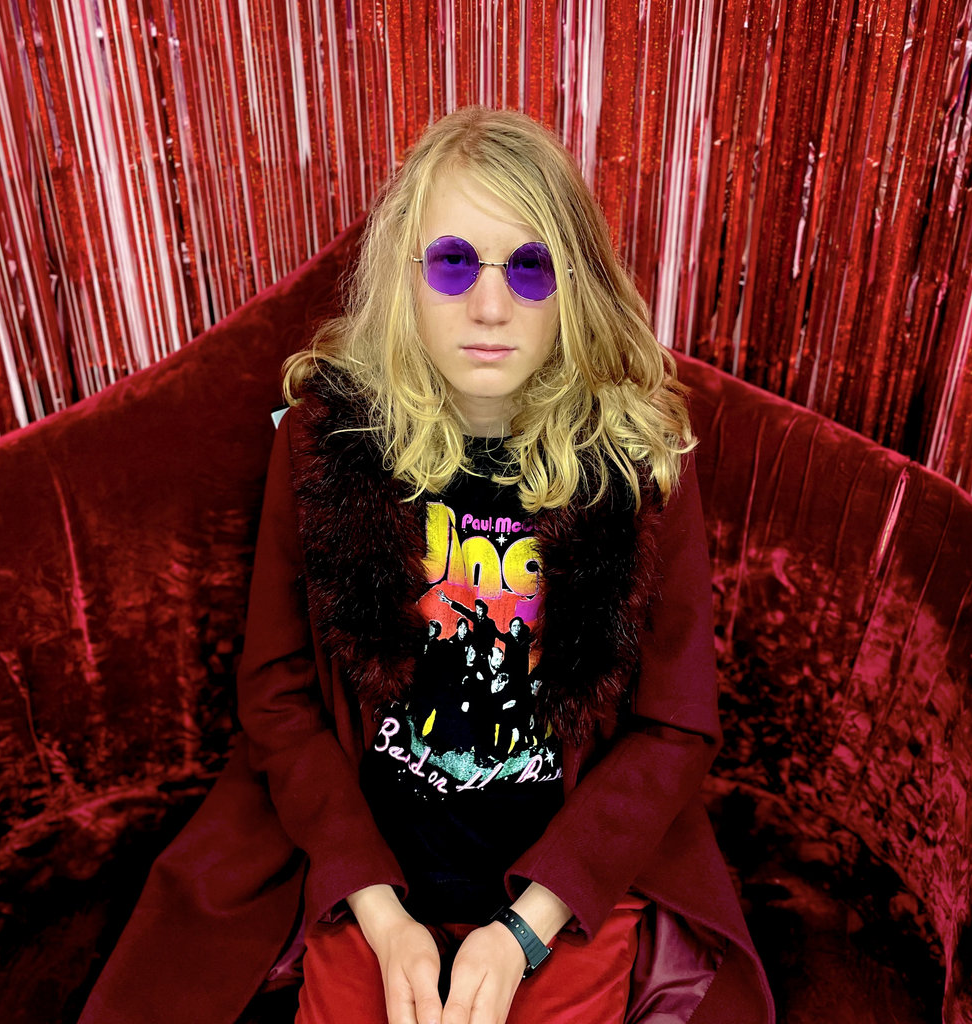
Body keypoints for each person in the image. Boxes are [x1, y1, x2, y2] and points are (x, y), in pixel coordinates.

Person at [78, 106, 773, 1024]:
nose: (490, 306)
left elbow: (673, 728)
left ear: (575, 286)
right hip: (374, 861)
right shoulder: (323, 446)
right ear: (406, 276)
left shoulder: (639, 466)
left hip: (567, 878)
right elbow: (277, 693)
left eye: (530, 267)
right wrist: (376, 910)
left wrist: (524, 930)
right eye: (453, 263)